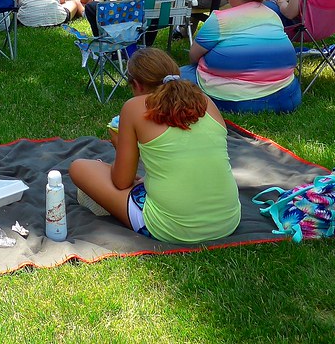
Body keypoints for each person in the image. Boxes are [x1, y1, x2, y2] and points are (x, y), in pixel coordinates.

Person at [69, 48, 240, 244]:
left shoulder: (134, 107)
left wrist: (118, 143)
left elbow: (121, 182)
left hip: (170, 228)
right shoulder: (206, 102)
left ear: (136, 85)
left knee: (79, 167)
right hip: (228, 221)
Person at [185, 0, 300, 113]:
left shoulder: (219, 19)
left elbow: (193, 56)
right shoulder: (272, 15)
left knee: (176, 76)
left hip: (233, 100)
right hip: (287, 97)